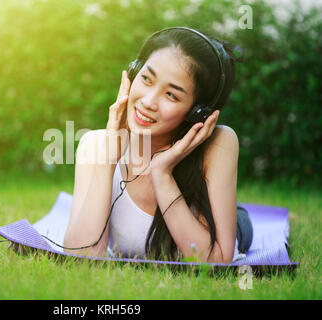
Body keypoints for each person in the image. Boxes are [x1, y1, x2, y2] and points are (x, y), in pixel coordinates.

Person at [63, 27, 253, 263]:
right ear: (133, 74)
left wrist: (162, 174)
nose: (148, 101)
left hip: (232, 225)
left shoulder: (219, 143)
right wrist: (107, 160)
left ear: (197, 112)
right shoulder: (95, 144)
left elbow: (217, 261)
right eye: (146, 79)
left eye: (171, 95)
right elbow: (81, 256)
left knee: (239, 222)